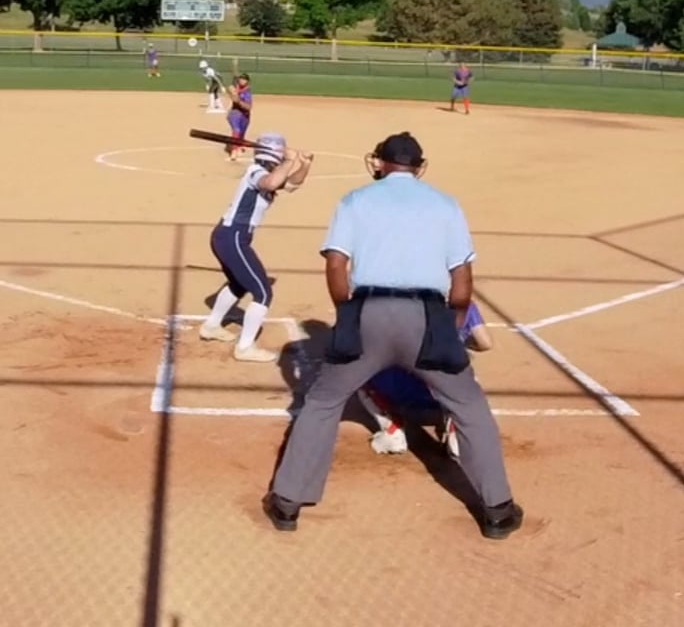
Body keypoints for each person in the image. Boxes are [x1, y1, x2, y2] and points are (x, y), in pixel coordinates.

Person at [264, 132, 523, 539]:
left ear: (380, 163)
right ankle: (498, 510)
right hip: (428, 315)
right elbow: (461, 282)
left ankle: (287, 503)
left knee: (323, 402)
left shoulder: (355, 200)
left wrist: (347, 314)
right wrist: (451, 329)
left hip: (369, 310)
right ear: (419, 167)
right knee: (469, 405)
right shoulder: (445, 204)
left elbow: (336, 265)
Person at [199, 132, 313, 363]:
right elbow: (271, 183)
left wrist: (304, 164)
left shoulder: (268, 173)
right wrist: (289, 161)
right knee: (263, 292)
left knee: (238, 285)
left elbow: (292, 185)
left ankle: (211, 327)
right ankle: (244, 348)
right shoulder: (255, 172)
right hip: (233, 236)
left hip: (230, 237)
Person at [359, 302, 493, 458]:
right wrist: (462, 345)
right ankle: (456, 429)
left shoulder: (403, 303)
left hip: (402, 392)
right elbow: (485, 343)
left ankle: (392, 430)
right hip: (444, 393)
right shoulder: (464, 304)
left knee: (362, 373)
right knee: (465, 375)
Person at [225, 73, 253, 162]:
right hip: (235, 113)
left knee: (242, 133)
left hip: (245, 115)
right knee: (236, 130)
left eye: (244, 79)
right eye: (241, 79)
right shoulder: (235, 88)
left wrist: (239, 102)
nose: (242, 81)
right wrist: (231, 92)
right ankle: (234, 151)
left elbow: (248, 107)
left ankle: (239, 145)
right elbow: (229, 88)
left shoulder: (247, 93)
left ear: (247, 81)